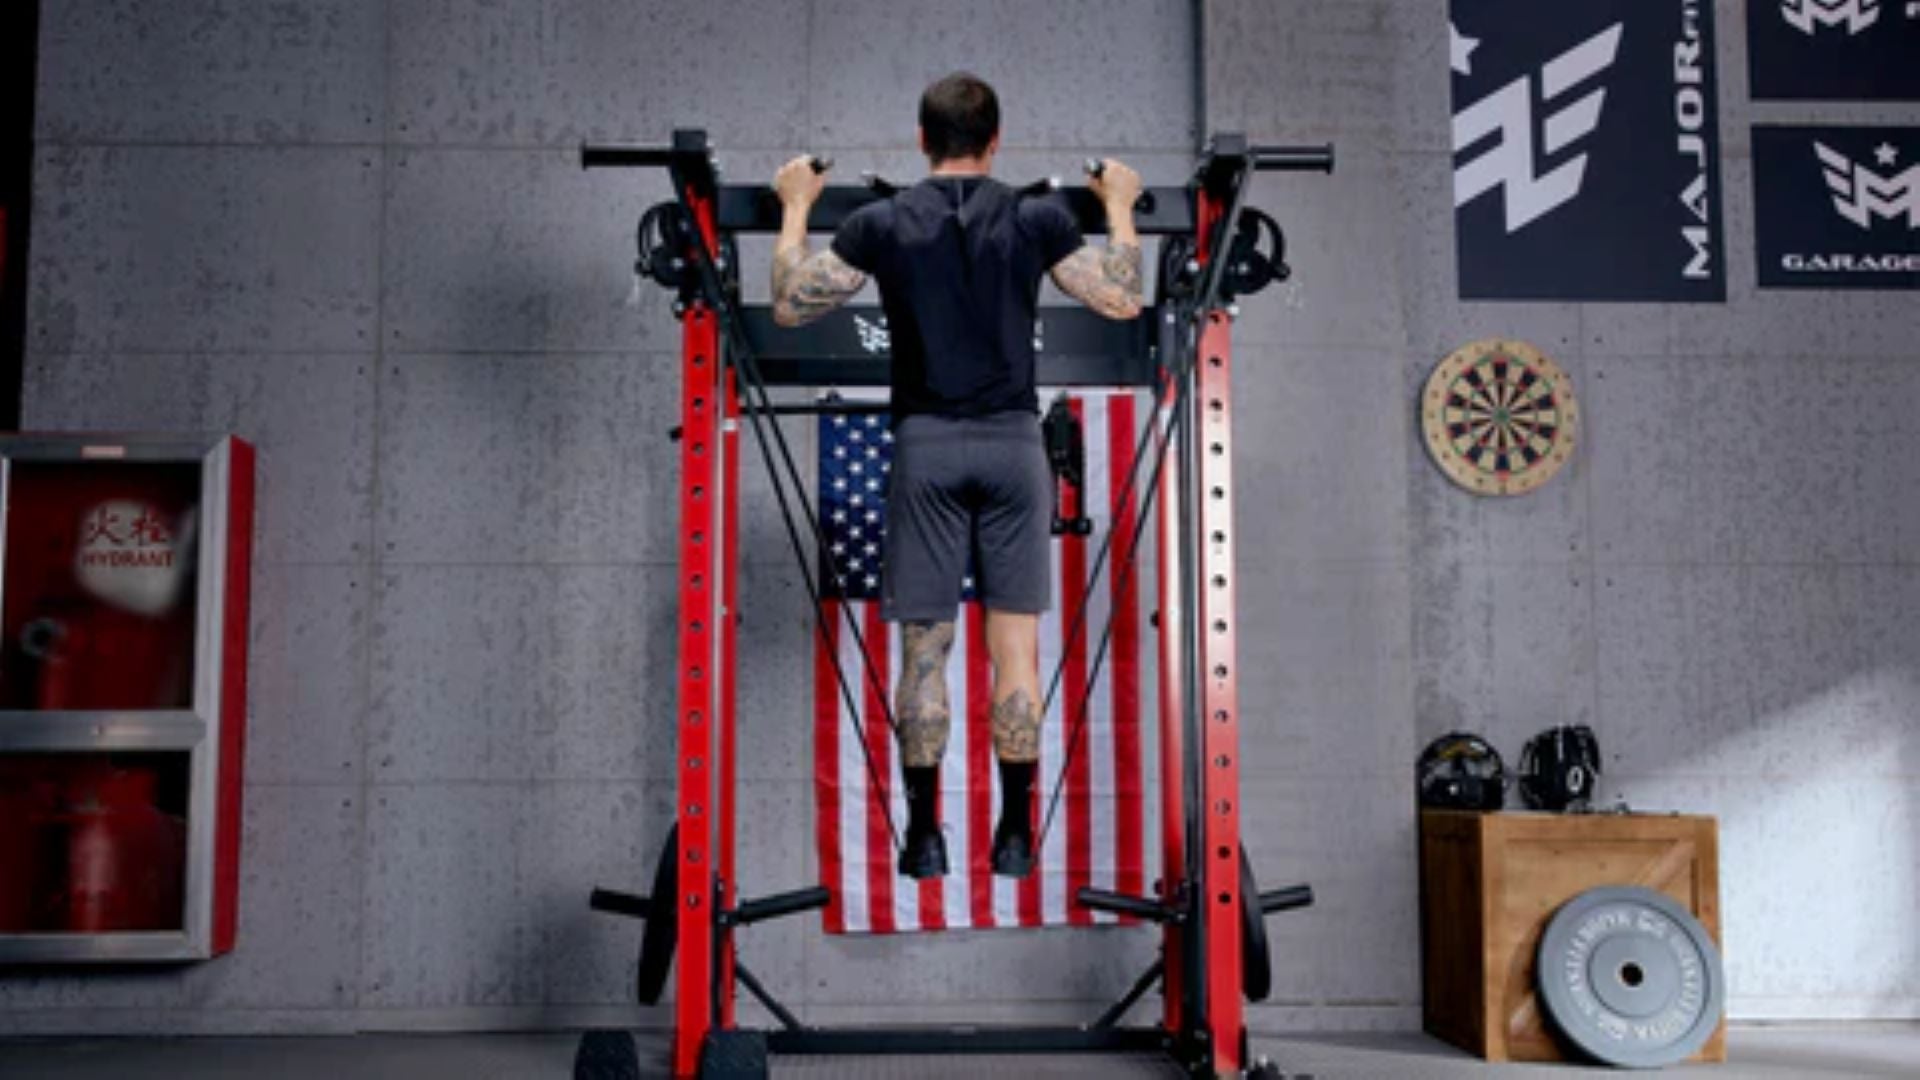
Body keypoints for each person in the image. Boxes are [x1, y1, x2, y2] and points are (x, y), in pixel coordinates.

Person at [770, 72, 1144, 879]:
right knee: (1016, 657)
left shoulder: (881, 221)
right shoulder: (1037, 217)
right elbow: (1122, 300)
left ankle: (926, 835)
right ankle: (1013, 833)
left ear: (920, 139)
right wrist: (1118, 204)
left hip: (926, 447)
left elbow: (792, 303)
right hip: (1013, 448)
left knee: (925, 658)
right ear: (996, 141)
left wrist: (797, 202)